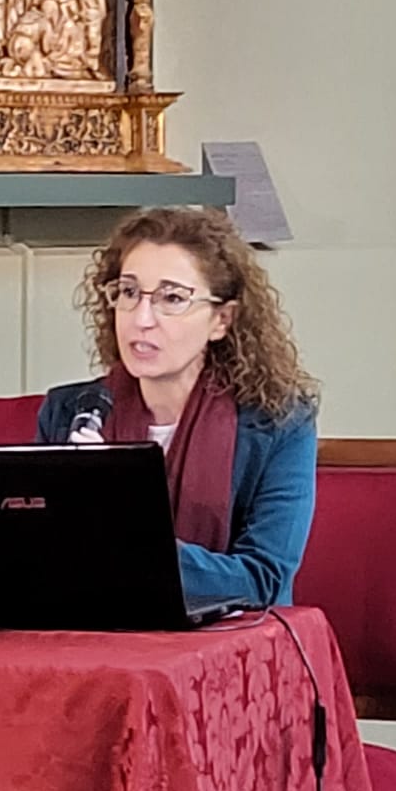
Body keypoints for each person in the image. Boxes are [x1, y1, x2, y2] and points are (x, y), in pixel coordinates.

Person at [37, 207, 319, 606]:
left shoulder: (278, 422)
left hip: (232, 649)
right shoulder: (71, 410)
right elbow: (40, 560)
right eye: (129, 293)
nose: (142, 319)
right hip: (97, 640)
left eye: (172, 298)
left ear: (221, 319)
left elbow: (262, 578)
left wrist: (120, 532)